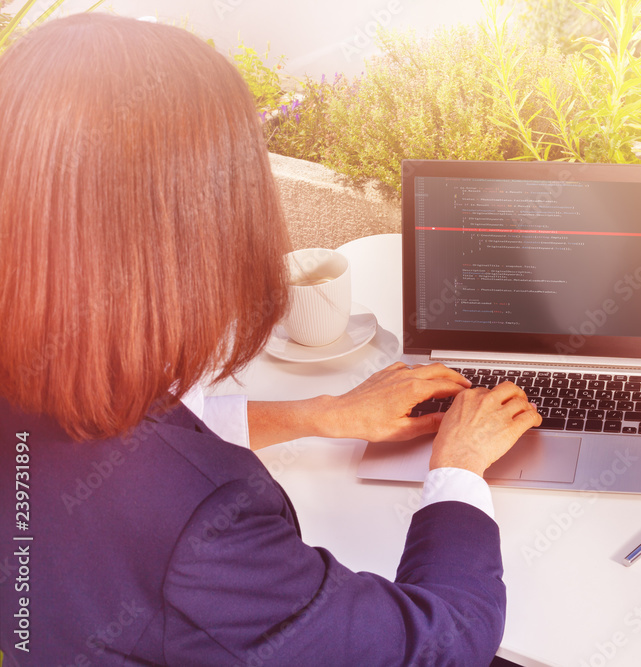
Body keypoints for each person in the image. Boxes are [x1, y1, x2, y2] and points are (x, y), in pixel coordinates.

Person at [0, 13, 539, 666]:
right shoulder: (206, 529)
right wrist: (458, 471)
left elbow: (134, 426)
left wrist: (321, 414)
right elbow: (439, 646)